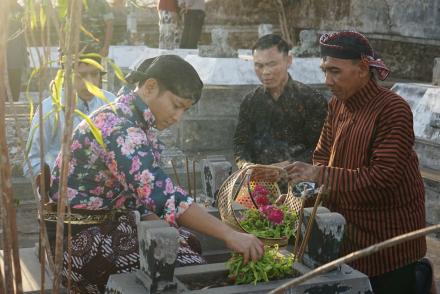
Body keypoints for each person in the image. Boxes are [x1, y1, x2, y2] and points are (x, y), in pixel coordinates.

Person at [48, 55, 264, 293]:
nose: (177, 117)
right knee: (186, 273)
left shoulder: (133, 120)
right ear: (150, 87)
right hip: (81, 243)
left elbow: (144, 198)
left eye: (184, 110)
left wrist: (171, 232)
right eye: (176, 105)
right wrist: (228, 234)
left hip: (112, 225)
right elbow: (160, 194)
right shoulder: (119, 127)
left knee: (187, 243)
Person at [285, 31, 427, 294]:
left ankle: (421, 276)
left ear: (363, 68)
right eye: (324, 71)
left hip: (389, 238)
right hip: (348, 230)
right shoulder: (337, 104)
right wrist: (301, 179)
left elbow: (382, 178)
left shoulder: (393, 109)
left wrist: (319, 175)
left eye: (335, 71)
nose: (327, 80)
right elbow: (321, 155)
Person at [233, 34, 327, 179]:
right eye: (259, 65)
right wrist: (247, 166)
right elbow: (241, 144)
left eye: (272, 64)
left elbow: (322, 149)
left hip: (299, 184)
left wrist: (289, 165)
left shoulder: (312, 100)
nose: (265, 72)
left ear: (288, 61)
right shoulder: (250, 101)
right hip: (259, 183)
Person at [23, 55, 116, 179]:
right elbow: (32, 163)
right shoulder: (49, 109)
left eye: (94, 74)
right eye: (81, 76)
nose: (90, 83)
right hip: (62, 188)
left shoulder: (111, 103)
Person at [7, 0, 27, 102]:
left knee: (14, 84)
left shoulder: (20, 10)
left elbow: (24, 35)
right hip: (9, 56)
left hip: (15, 56)